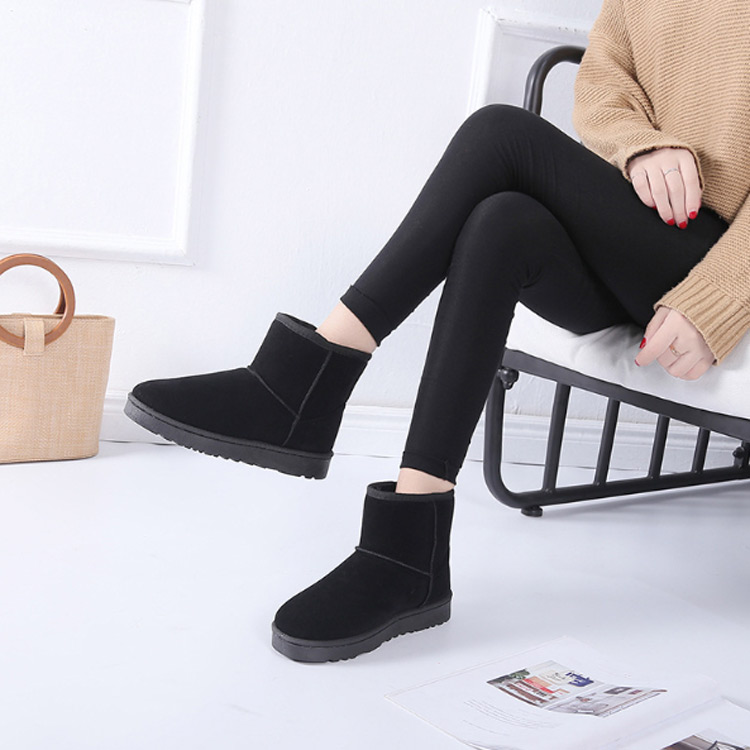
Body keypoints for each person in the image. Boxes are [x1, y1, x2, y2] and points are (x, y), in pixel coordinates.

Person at [125, 0, 750, 662]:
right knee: (502, 223)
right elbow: (604, 77)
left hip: (721, 255)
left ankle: (299, 385)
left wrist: (719, 297)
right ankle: (407, 558)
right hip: (641, 236)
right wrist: (639, 143)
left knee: (500, 133)